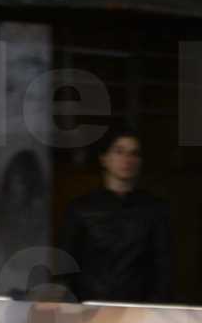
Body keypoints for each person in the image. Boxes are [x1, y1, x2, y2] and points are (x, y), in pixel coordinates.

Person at [57, 129, 173, 303]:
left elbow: (163, 266)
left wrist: (155, 308)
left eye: (134, 153)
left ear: (140, 161)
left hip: (138, 308)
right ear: (104, 159)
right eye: (119, 151)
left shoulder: (155, 209)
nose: (127, 159)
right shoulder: (80, 209)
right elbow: (65, 264)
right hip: (90, 306)